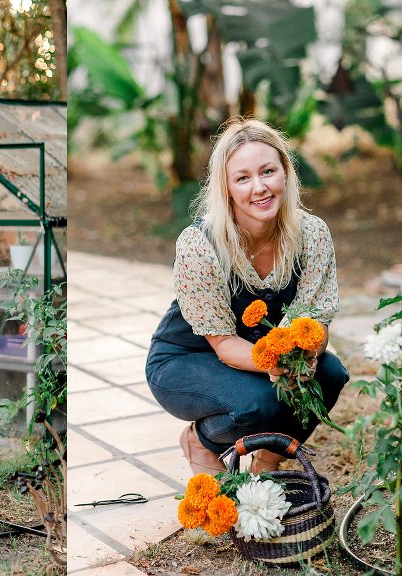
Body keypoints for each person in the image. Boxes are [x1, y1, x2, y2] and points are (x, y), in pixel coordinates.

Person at [146, 117, 349, 476]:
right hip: (189, 358)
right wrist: (280, 365)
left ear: (286, 172)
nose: (260, 187)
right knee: (259, 404)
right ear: (226, 188)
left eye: (268, 171)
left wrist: (310, 352)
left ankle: (268, 460)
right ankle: (202, 440)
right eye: (243, 178)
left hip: (263, 353)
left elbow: (315, 320)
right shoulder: (200, 244)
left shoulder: (312, 234)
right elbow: (223, 344)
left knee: (330, 374)